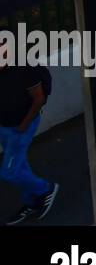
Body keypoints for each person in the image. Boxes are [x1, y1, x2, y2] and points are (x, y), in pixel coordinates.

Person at [0, 60, 59, 224]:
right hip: (5, 127)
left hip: (20, 127)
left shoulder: (23, 67)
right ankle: (32, 202)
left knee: (9, 172)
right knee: (20, 165)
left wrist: (24, 125)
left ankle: (46, 189)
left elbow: (38, 98)